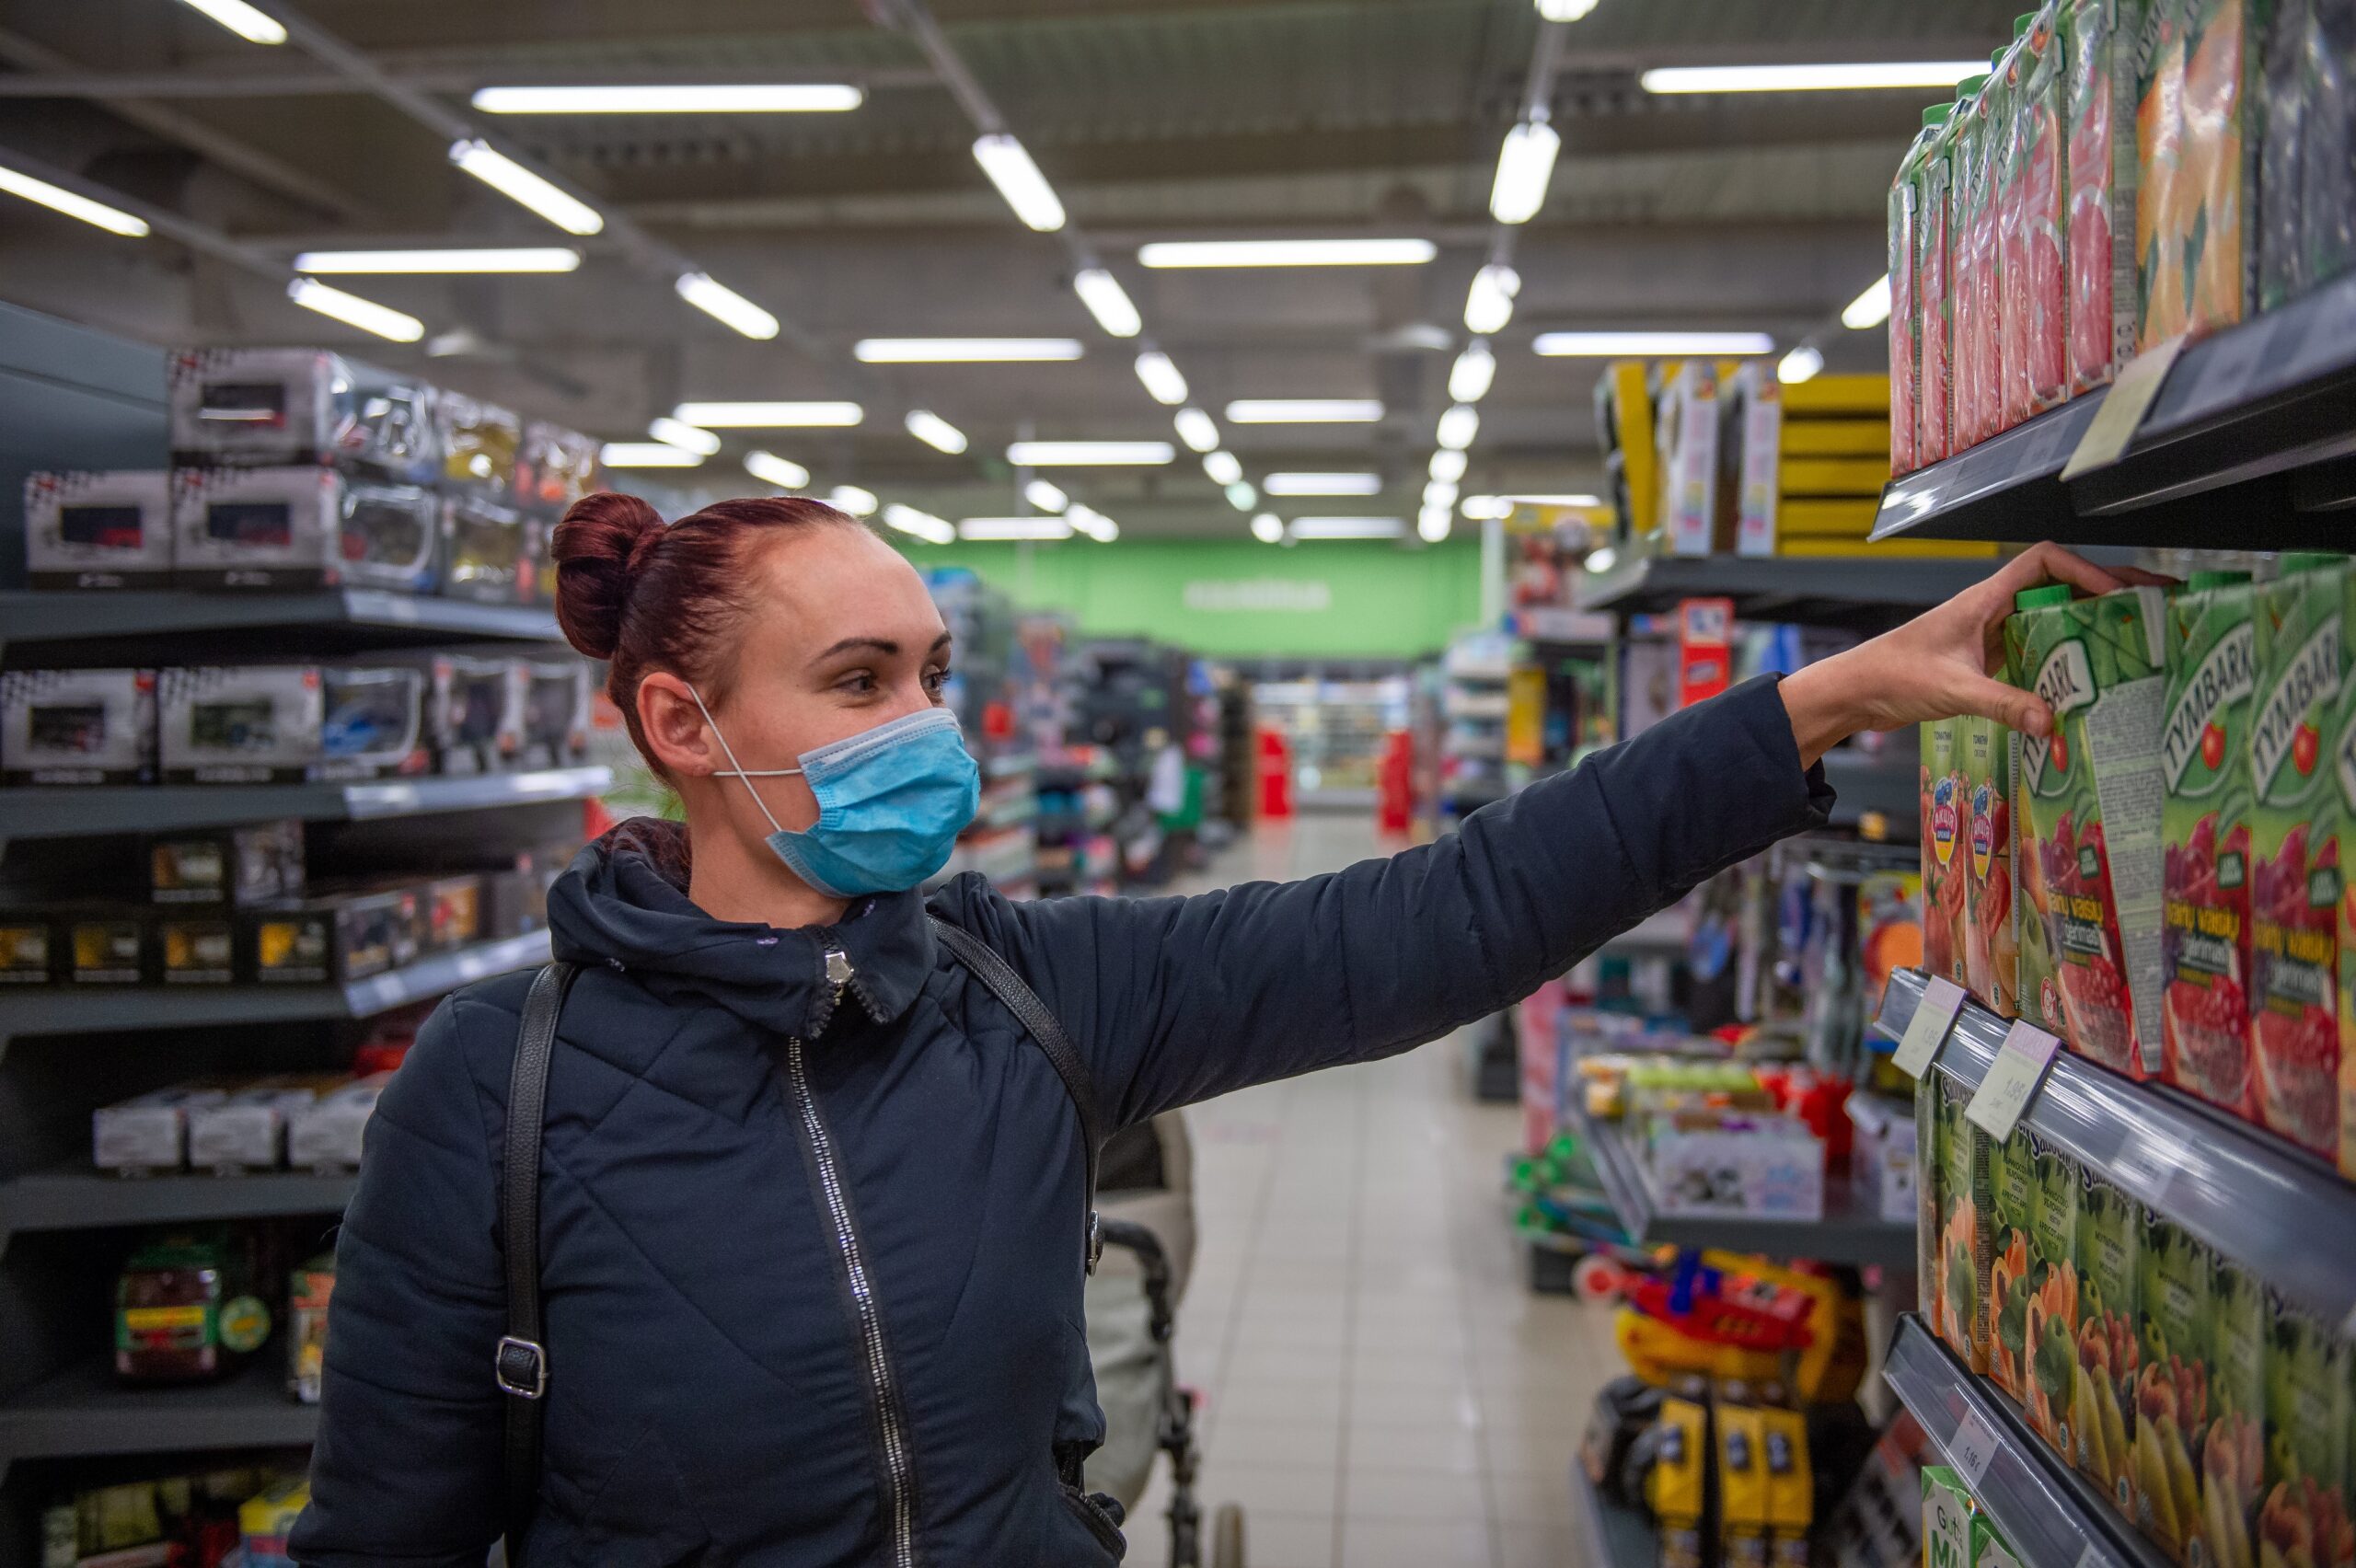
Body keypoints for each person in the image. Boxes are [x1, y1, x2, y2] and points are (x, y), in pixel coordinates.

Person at [289, 493, 2124, 1567]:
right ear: (685, 727)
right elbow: (388, 1537)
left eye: (929, 672)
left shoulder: (1023, 988)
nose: (930, 722)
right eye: (859, 683)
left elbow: (1452, 912)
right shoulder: (498, 1092)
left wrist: (1818, 700)